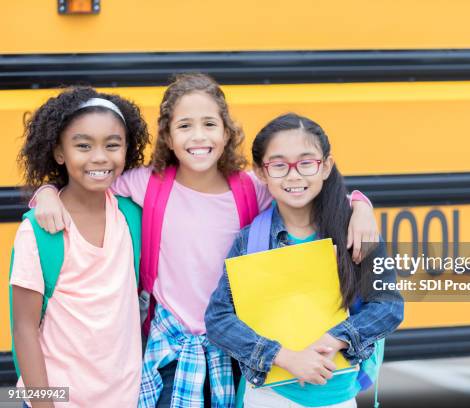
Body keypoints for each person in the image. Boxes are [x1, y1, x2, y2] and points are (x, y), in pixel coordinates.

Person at [30, 74, 379, 407]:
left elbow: (306, 192)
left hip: (236, 347)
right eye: (185, 126)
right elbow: (88, 185)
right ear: (167, 136)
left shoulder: (249, 189)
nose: (198, 136)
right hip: (171, 351)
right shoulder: (146, 184)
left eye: (210, 124)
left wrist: (360, 206)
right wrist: (47, 193)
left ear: (227, 134)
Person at [205, 113, 404, 408]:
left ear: (326, 167)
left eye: (306, 162)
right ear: (261, 172)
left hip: (338, 398)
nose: (294, 175)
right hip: (268, 397)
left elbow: (389, 305)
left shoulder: (355, 231)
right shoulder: (251, 240)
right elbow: (218, 318)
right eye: (279, 165)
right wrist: (284, 357)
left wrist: (334, 341)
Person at [10, 87, 149, 407]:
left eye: (112, 145)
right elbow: (24, 329)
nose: (99, 156)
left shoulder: (133, 216)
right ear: (59, 152)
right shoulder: (38, 230)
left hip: (126, 398)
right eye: (83, 145)